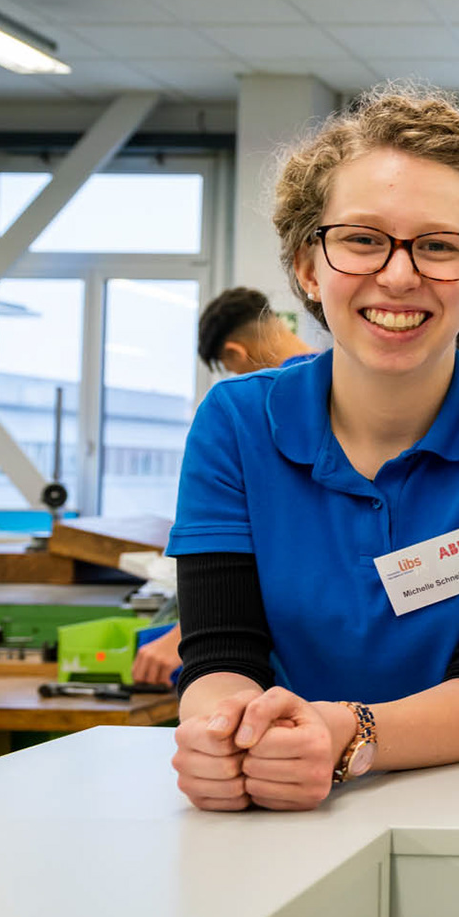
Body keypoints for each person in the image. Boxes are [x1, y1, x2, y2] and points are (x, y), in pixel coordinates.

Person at [165, 85, 459, 812]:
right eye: (363, 239)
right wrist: (224, 733)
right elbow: (221, 656)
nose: (399, 275)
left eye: (438, 246)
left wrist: (348, 734)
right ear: (308, 265)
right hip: (287, 802)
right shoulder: (235, 425)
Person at [134, 289, 319, 687]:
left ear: (235, 354)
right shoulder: (341, 387)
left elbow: (278, 553)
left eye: (232, 370)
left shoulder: (252, 410)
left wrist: (181, 635)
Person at [195, 286, 316, 375]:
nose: (239, 377)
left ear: (236, 353)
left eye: (232, 370)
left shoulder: (279, 392)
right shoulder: (324, 368)